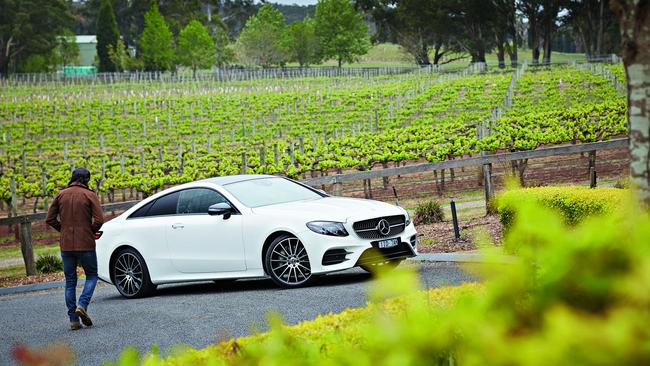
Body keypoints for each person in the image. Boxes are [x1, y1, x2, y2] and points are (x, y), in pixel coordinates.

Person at [46, 168, 104, 330]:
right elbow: (100, 219)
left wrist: (63, 230)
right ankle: (82, 305)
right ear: (86, 179)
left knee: (70, 281)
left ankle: (73, 320)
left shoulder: (60, 194)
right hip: (85, 243)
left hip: (66, 245)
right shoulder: (90, 194)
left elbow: (49, 218)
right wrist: (89, 231)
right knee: (92, 275)